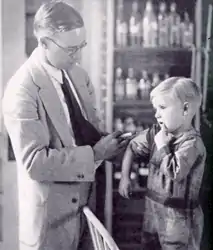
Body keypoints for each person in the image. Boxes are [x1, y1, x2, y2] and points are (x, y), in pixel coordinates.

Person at [2, 1, 129, 250]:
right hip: (51, 225)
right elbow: (34, 163)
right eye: (71, 49)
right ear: (44, 43)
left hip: (86, 212)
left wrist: (119, 145)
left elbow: (84, 133)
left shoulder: (77, 74)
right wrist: (97, 153)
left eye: (81, 46)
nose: (78, 56)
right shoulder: (22, 90)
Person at [119, 77, 206, 250]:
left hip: (180, 220)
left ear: (186, 109)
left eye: (163, 108)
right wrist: (124, 177)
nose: (156, 114)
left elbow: (175, 172)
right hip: (153, 213)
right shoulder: (156, 134)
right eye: (155, 108)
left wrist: (162, 145)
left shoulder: (192, 144)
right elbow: (132, 146)